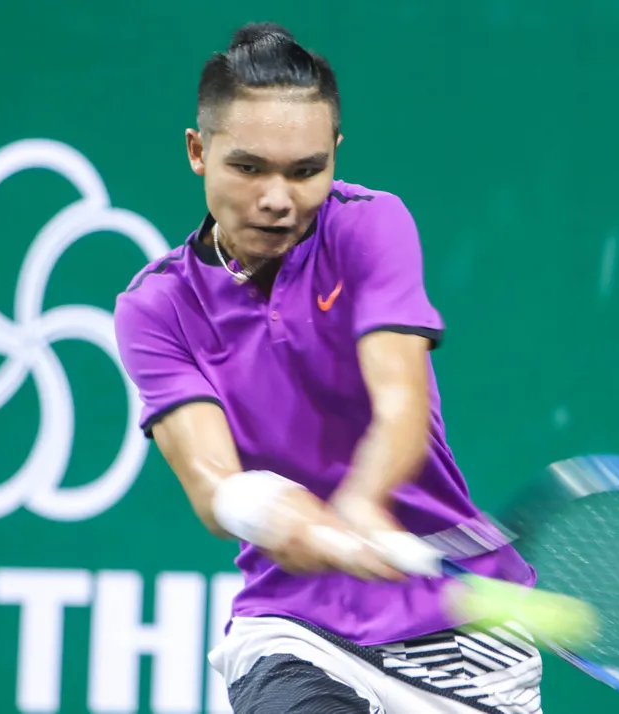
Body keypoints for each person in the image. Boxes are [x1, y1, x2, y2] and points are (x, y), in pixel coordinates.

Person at [114, 21, 542, 714]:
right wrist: (267, 510)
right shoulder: (157, 307)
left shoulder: (370, 226)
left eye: (305, 171)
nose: (277, 198)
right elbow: (209, 480)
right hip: (294, 629)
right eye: (248, 168)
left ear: (335, 154)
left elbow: (401, 405)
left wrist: (362, 501)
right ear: (198, 151)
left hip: (464, 637)